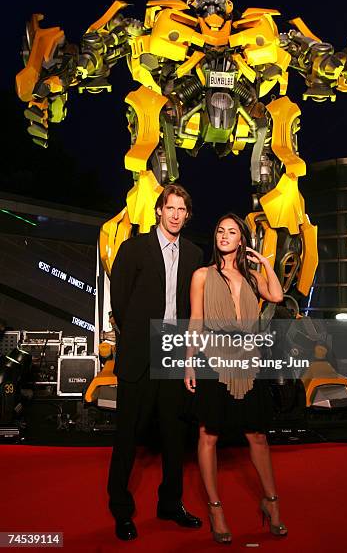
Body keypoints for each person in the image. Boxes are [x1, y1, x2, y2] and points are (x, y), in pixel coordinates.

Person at [108, 184, 203, 541]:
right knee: (128, 435)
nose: (176, 214)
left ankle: (171, 503)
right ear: (159, 211)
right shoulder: (133, 249)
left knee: (174, 435)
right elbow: (120, 302)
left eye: (183, 209)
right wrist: (137, 339)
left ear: (187, 215)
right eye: (171, 208)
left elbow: (195, 306)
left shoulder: (194, 254)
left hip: (176, 351)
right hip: (140, 354)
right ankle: (120, 509)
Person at [184, 213, 286, 544]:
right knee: (208, 434)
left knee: (257, 434)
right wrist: (188, 363)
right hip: (212, 359)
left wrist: (263, 261)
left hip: (249, 362)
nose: (224, 235)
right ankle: (216, 508)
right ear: (215, 238)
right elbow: (196, 321)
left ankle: (271, 502)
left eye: (232, 232)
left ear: (241, 239)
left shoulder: (253, 276)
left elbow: (278, 296)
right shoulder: (202, 275)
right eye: (220, 230)